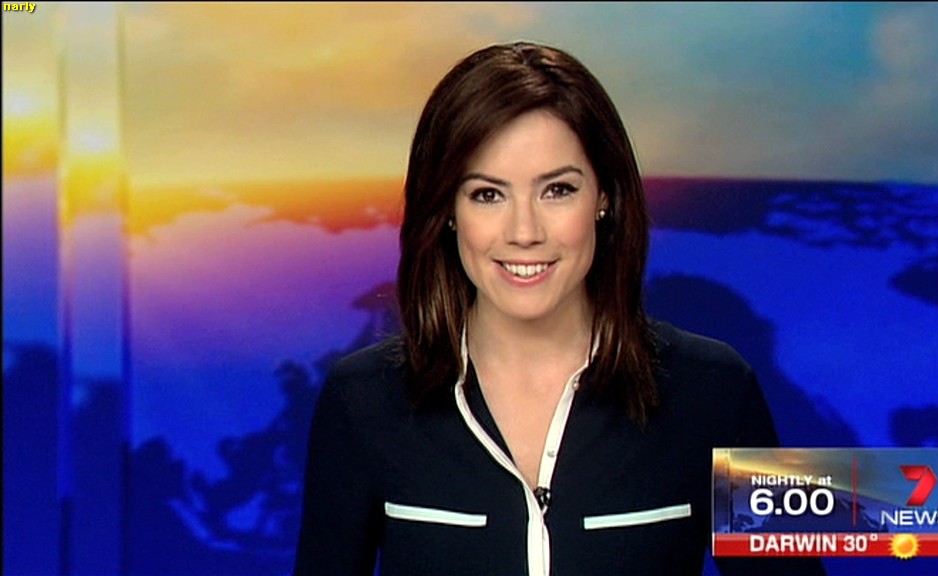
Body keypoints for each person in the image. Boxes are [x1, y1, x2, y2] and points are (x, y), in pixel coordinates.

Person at [293, 41, 826, 576]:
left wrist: (869, 504)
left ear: (604, 197)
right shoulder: (361, 399)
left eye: (558, 190)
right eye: (487, 195)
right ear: (448, 210)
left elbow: (864, 515)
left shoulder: (717, 389)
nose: (525, 232)